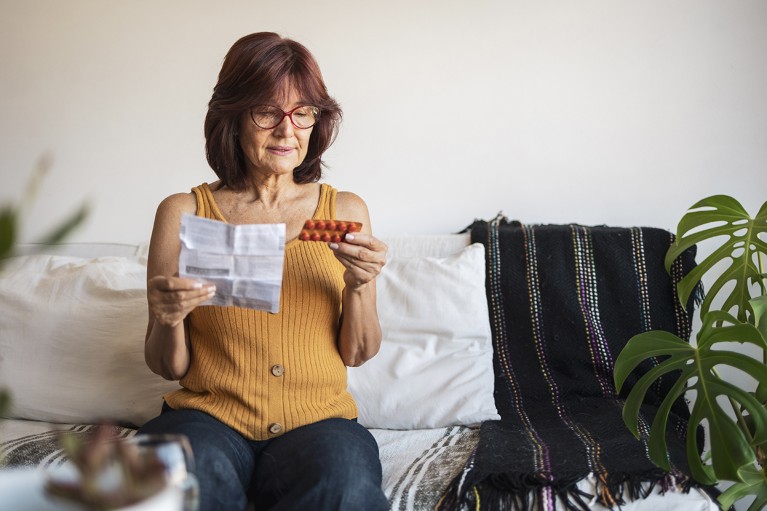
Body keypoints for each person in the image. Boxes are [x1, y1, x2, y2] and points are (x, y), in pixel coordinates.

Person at [138, 32, 389, 511]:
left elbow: (357, 353)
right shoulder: (184, 212)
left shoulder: (346, 210)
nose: (286, 130)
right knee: (182, 484)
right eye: (267, 111)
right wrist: (168, 317)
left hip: (319, 423)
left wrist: (359, 285)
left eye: (303, 112)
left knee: (345, 488)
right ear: (231, 116)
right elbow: (166, 366)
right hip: (207, 420)